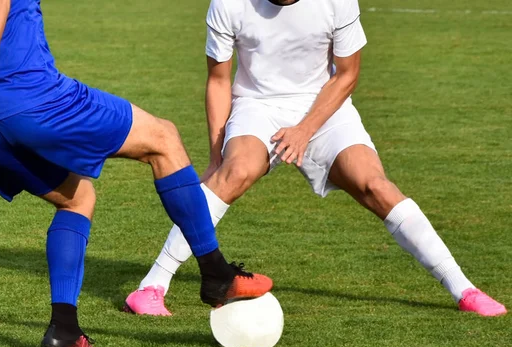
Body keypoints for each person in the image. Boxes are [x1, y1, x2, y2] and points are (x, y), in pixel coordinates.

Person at [0, 0, 273, 347]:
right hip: (32, 97)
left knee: (76, 199)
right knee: (164, 140)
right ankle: (216, 273)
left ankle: (64, 329)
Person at [124, 0, 506, 317]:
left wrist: (305, 129)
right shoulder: (229, 2)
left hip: (325, 107)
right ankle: (151, 287)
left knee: (375, 185)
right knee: (234, 172)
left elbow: (347, 74)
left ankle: (464, 290)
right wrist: (215, 155)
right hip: (258, 105)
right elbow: (220, 80)